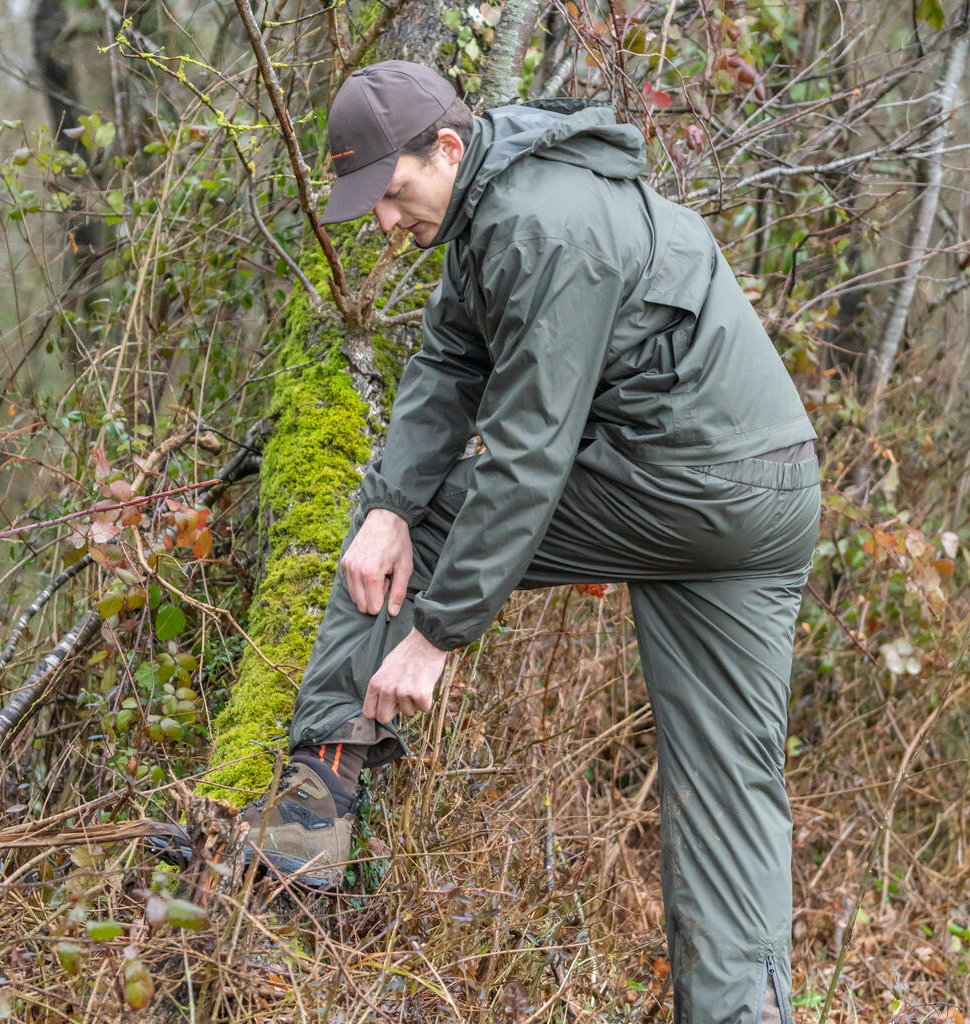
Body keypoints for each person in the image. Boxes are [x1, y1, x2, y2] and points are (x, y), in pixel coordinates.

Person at [246, 60, 820, 1024]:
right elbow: (448, 360)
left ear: (449, 149)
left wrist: (434, 634)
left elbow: (526, 458)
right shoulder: (503, 205)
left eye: (391, 193)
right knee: (730, 795)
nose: (385, 221)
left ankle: (313, 806)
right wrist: (388, 496)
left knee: (426, 524)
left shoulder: (541, 226)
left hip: (689, 482)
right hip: (767, 498)